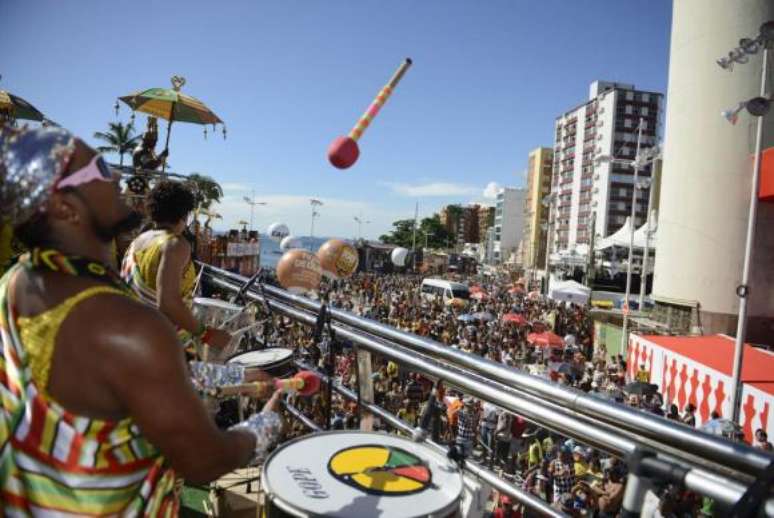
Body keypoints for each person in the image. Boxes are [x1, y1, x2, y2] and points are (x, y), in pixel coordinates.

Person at [0, 126, 282, 514]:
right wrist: (263, 428)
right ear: (65, 208)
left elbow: (146, 374)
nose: (115, 175)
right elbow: (203, 458)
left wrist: (238, 377)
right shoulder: (126, 325)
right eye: (98, 169)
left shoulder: (15, 281)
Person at [122, 180, 230, 349]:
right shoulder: (175, 245)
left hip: (131, 333)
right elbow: (167, 302)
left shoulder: (138, 241)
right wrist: (206, 334)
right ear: (184, 215)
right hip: (159, 343)